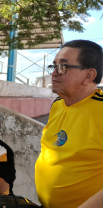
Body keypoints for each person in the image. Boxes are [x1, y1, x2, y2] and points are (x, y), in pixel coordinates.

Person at [35, 40, 103, 208]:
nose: (54, 73)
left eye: (63, 67)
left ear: (89, 76)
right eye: (54, 66)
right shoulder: (58, 104)